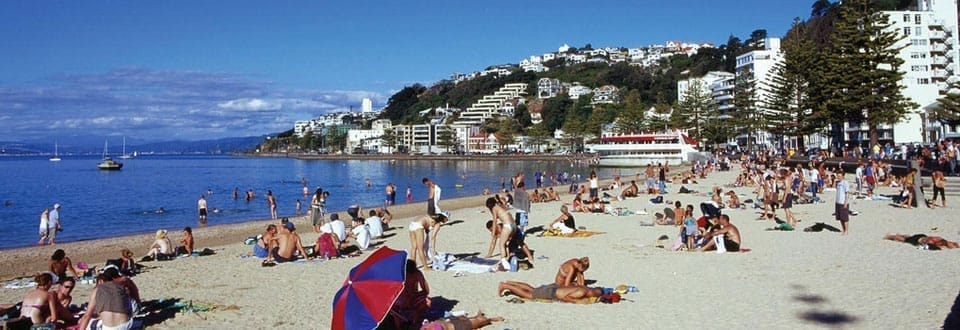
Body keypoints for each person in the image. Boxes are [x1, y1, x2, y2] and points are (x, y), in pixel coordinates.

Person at [393, 259, 431, 326]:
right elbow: (426, 290)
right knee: (427, 301)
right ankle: (414, 318)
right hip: (408, 300)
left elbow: (426, 290)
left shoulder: (400, 275)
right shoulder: (417, 273)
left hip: (401, 301)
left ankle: (401, 321)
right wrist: (416, 294)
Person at [496, 281, 604, 303]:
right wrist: (576, 302)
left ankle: (510, 283)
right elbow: (566, 297)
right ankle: (505, 286)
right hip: (552, 293)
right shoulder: (581, 293)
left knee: (533, 289)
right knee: (529, 295)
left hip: (555, 287)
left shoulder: (585, 288)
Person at [420, 312, 504, 330]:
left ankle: (475, 317)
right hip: (458, 327)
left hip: (447, 320)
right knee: (483, 321)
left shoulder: (423, 327)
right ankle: (490, 319)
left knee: (463, 317)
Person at [884, 233, 959, 250]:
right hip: (918, 239)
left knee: (907, 237)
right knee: (903, 240)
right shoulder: (940, 241)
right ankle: (889, 237)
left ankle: (898, 235)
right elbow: (929, 242)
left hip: (922, 237)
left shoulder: (941, 242)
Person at [835, 171, 851, 235]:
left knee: (845, 217)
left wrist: (845, 202)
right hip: (838, 201)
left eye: (839, 176)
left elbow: (847, 193)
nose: (838, 177)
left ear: (843, 176)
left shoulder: (845, 183)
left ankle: (846, 230)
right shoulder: (838, 183)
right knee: (840, 217)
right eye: (837, 176)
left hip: (843, 202)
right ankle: (843, 229)